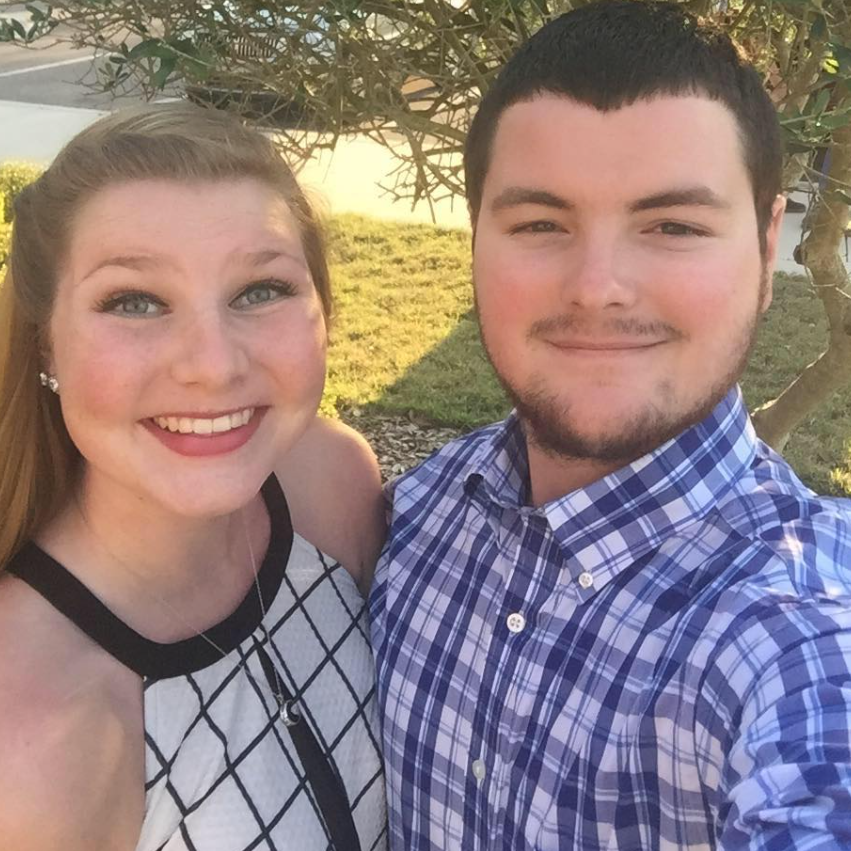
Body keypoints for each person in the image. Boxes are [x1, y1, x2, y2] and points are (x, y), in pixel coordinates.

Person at [370, 2, 851, 849]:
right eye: (539, 224)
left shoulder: (797, 634)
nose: (596, 287)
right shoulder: (414, 517)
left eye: (672, 226)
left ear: (765, 243)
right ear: (475, 235)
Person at [0, 103, 387, 850]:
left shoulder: (331, 483)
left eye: (260, 290)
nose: (212, 365)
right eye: (135, 302)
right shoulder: (29, 738)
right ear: (46, 343)